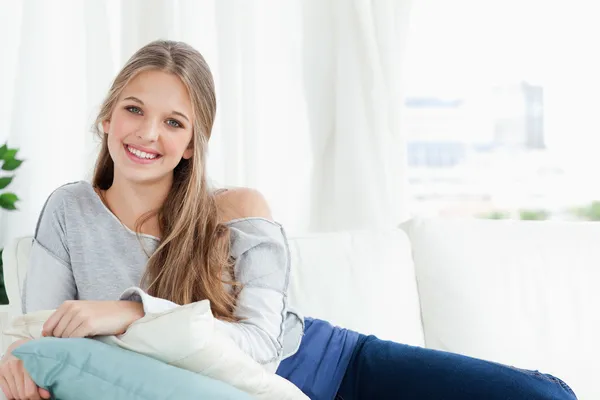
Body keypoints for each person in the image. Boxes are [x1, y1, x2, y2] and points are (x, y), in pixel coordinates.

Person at [0, 40, 577, 400]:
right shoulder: (69, 210)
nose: (148, 134)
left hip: (332, 365)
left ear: (193, 146)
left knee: (541, 398)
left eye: (174, 122)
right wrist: (18, 372)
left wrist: (129, 311)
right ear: (106, 118)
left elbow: (256, 344)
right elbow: (42, 334)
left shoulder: (237, 209)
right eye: (133, 110)